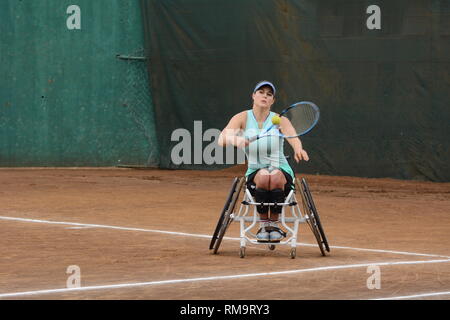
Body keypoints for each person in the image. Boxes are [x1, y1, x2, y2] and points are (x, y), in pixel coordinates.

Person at [218, 80, 309, 242]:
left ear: (272, 101)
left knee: (272, 174)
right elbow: (221, 140)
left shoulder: (279, 120)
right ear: (253, 96)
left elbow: (293, 137)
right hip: (255, 173)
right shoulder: (242, 118)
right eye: (261, 92)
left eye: (269, 94)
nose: (264, 96)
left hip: (281, 172)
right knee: (264, 174)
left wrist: (298, 149)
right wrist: (236, 140)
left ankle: (273, 225)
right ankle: (263, 225)